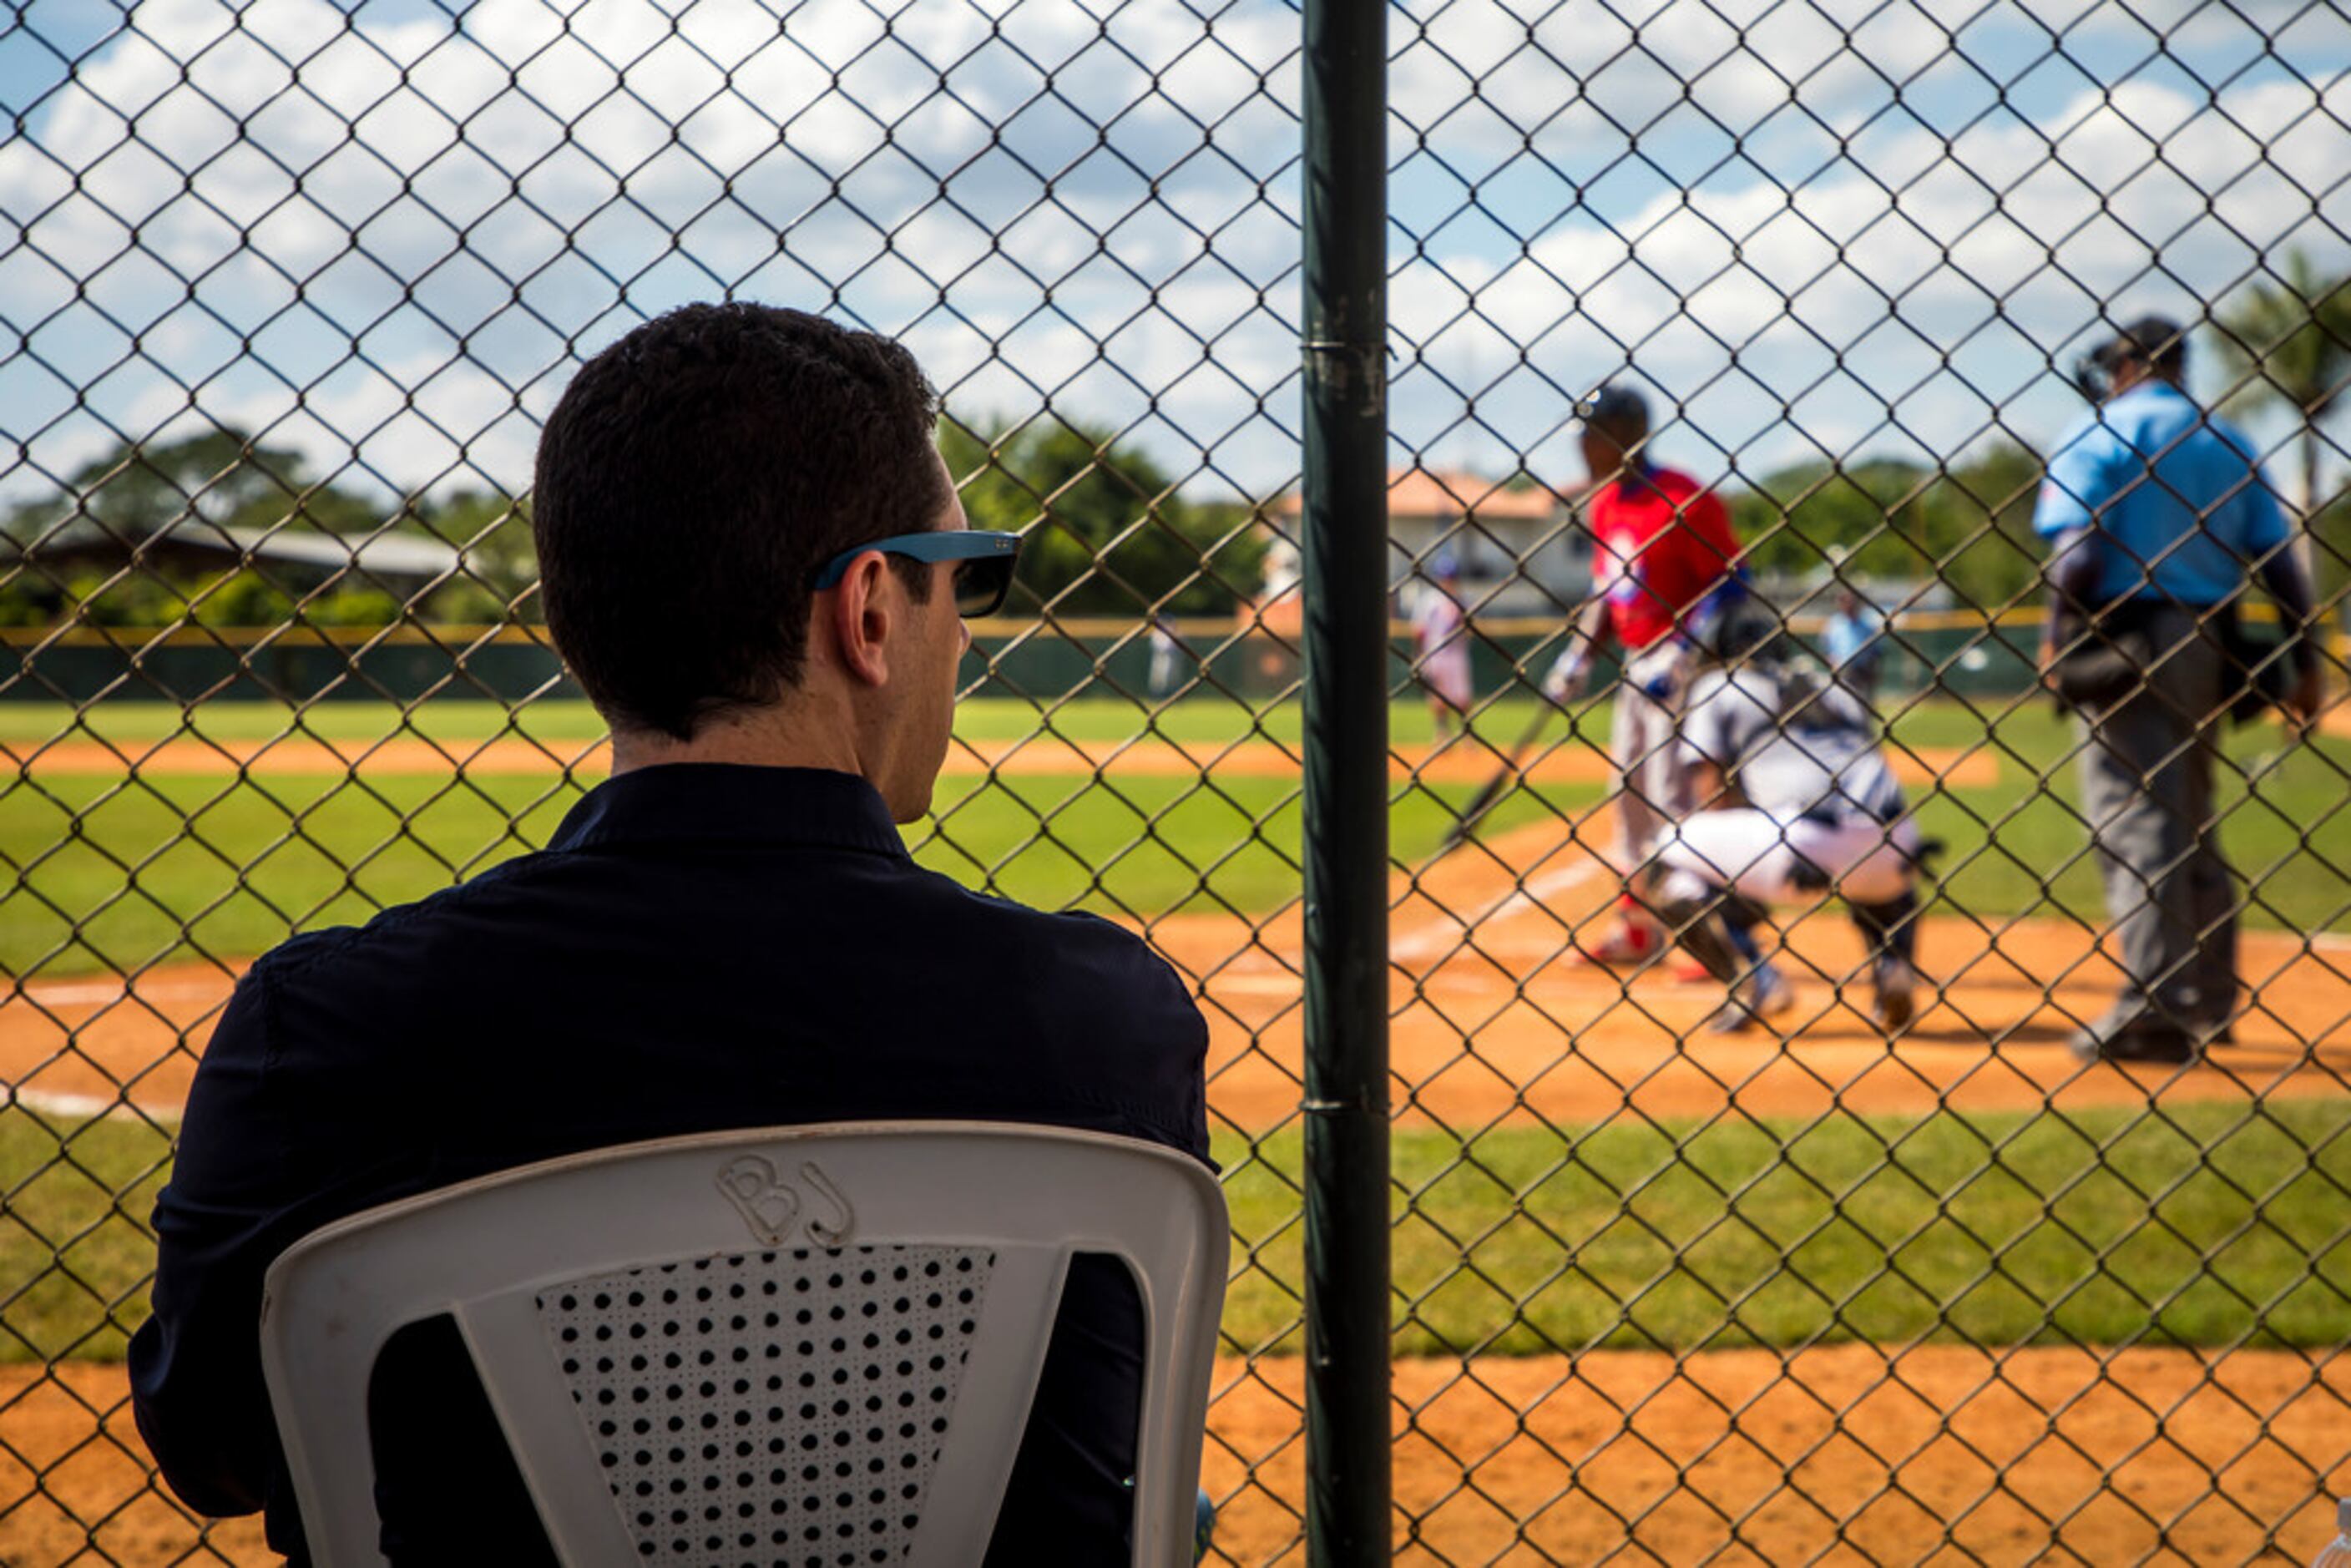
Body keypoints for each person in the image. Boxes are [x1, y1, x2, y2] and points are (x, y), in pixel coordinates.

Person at [127, 303, 1211, 1565]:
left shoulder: (325, 1032)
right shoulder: (1105, 1020)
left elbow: (211, 1449)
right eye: (961, 577)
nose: (961, 630)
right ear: (867, 611)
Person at [2034, 313, 2322, 1065]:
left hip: (2125, 638)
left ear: (2128, 364)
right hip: (2210, 640)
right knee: (2189, 817)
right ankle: (2207, 1002)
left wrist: (2055, 636)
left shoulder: (2101, 431)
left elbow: (2077, 553)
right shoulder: (2225, 437)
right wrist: (2306, 658)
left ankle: (2152, 1009)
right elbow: (2279, 563)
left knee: (2136, 822)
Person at [1542, 384, 1744, 964]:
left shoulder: (1685, 497)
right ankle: (1638, 926)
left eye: (1593, 432)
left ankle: (1704, 933)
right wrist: (1577, 657)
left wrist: (1684, 650)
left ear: (1629, 435)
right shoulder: (1605, 504)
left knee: (1671, 799)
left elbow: (1732, 582)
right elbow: (1607, 593)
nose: (1582, 445)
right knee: (1627, 797)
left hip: (1685, 668)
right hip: (1636, 664)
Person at [1651, 620, 1924, 1034]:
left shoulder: (1721, 684)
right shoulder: (1830, 685)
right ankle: (1893, 965)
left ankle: (1755, 980)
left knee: (1664, 858)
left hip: (1803, 840)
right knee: (1869, 841)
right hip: (1897, 842)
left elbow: (1712, 796)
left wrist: (1735, 890)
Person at [1413, 551, 1474, 742]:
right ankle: (1442, 733)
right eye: (1446, 577)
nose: (1449, 580)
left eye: (1452, 577)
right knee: (1437, 697)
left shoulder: (1462, 600)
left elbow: (1469, 630)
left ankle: (1466, 734)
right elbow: (1419, 631)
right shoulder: (1429, 601)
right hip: (1435, 654)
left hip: (1457, 654)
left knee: (1463, 697)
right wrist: (1419, 656)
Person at [1822, 584, 1885, 706]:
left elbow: (1877, 651)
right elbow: (1826, 648)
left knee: (1864, 705)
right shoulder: (1834, 623)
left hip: (1863, 669)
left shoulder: (1868, 623)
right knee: (1843, 705)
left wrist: (1875, 670)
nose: (1847, 604)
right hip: (1842, 670)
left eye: (1849, 601)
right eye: (1843, 601)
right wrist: (1832, 663)